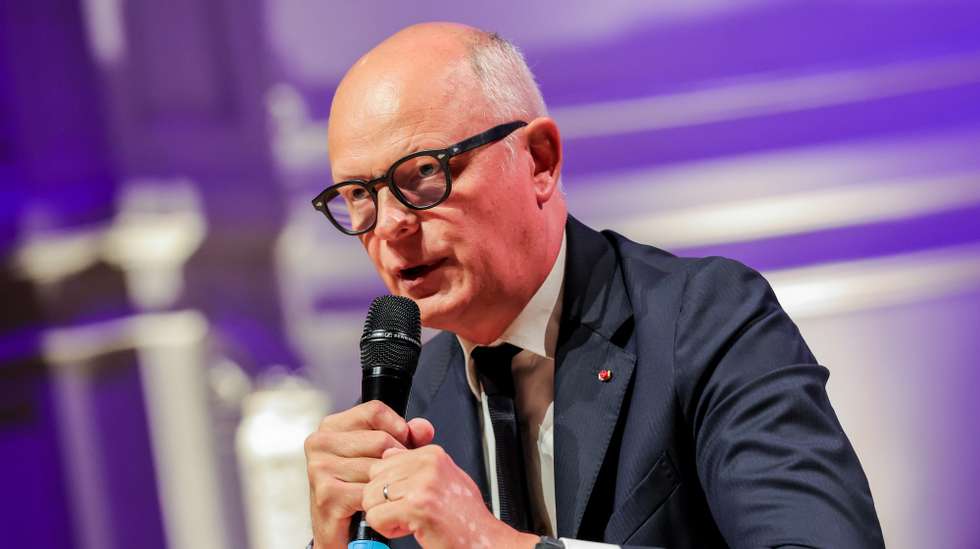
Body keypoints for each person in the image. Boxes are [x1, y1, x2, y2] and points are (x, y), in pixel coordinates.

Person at [304, 22, 884, 549]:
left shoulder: (705, 319)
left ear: (539, 160)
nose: (391, 222)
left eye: (424, 172)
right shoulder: (412, 404)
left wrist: (497, 545)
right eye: (358, 194)